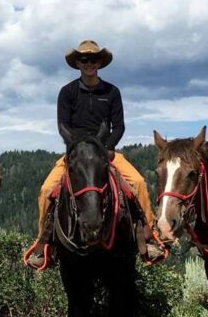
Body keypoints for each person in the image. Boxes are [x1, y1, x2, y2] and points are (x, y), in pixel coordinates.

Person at [25, 39, 165, 268]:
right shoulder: (67, 92)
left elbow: (118, 126)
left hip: (106, 151)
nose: (89, 63)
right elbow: (63, 125)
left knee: (138, 183)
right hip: (75, 152)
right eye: (84, 59)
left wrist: (105, 147)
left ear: (99, 62)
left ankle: (150, 239)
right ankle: (45, 244)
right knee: (46, 190)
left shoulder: (112, 92)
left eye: (93, 59)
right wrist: (74, 147)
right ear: (78, 63)